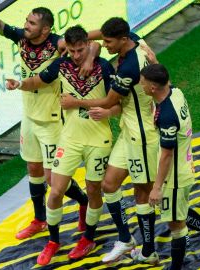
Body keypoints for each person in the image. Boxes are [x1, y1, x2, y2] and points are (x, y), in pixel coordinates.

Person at [7, 25, 121, 265]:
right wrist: (19, 84)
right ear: (66, 48)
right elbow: (38, 81)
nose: (77, 55)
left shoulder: (104, 67)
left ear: (87, 46)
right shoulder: (61, 65)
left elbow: (118, 105)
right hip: (70, 139)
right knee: (55, 189)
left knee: (93, 190)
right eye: (72, 51)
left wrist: (108, 112)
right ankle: (53, 241)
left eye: (81, 50)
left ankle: (88, 238)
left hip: (98, 141)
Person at [0, 0, 97, 240]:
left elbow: (91, 41)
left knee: (51, 177)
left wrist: (88, 58)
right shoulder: (20, 38)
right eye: (26, 20)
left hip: (53, 120)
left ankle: (84, 201)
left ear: (45, 30)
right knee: (33, 168)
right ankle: (40, 219)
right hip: (29, 116)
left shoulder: (57, 43)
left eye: (31, 23)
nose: (25, 25)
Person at [61, 17, 161, 263]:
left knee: (146, 193)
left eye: (107, 41)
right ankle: (126, 239)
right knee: (109, 185)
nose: (103, 44)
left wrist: (76, 102)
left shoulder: (129, 69)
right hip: (128, 131)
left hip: (143, 135)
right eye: (102, 40)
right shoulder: (133, 40)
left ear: (122, 40)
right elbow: (101, 35)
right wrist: (87, 45)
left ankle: (149, 251)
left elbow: (109, 102)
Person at [141, 64, 200, 269]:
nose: (141, 85)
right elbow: (165, 77)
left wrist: (156, 187)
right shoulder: (176, 92)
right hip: (185, 166)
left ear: (153, 87)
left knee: (176, 225)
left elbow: (166, 155)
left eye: (143, 82)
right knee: (179, 211)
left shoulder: (167, 117)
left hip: (175, 176)